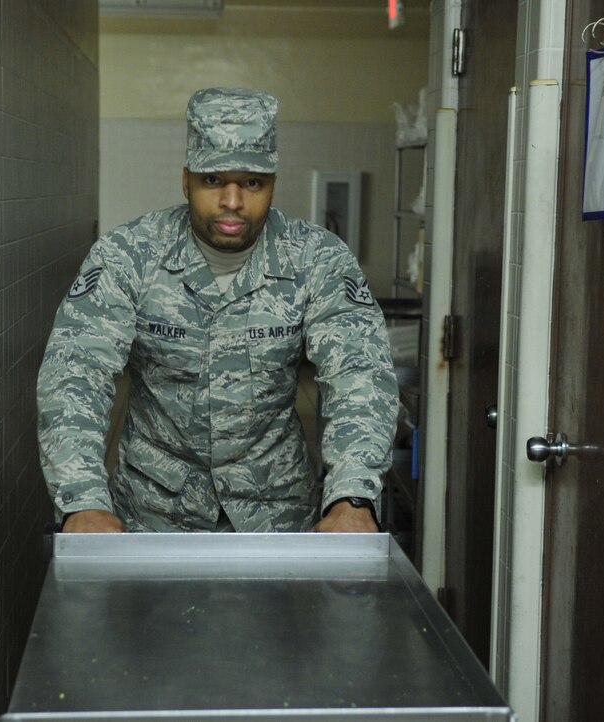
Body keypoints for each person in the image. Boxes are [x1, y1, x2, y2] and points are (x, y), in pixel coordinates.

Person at [37, 87, 398, 534]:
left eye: (251, 182)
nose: (232, 201)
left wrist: (352, 495)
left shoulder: (316, 258)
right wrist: (82, 500)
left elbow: (359, 373)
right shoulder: (129, 254)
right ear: (186, 179)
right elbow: (76, 369)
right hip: (154, 515)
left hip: (275, 515)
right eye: (213, 180)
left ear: (272, 184)